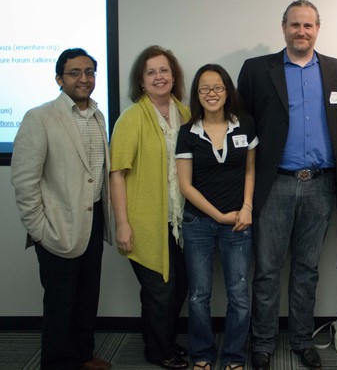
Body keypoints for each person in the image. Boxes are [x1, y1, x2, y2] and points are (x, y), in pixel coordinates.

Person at [237, 0, 337, 370]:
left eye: (308, 26)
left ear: (318, 28)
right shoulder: (257, 70)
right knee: (268, 270)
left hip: (320, 184)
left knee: (307, 269)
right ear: (283, 27)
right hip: (275, 185)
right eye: (294, 25)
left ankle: (303, 339)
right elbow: (244, 126)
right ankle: (263, 343)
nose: (301, 32)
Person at [11, 48, 113, 370]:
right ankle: (55, 364)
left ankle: (82, 356)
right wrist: (40, 230)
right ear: (59, 78)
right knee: (60, 303)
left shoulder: (98, 115)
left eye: (89, 72)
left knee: (86, 297)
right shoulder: (39, 117)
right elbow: (24, 181)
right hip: (56, 226)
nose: (84, 79)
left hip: (93, 219)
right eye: (75, 73)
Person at [110, 45, 190, 369]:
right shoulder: (131, 119)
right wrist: (122, 223)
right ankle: (158, 352)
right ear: (141, 81)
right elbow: (117, 173)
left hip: (180, 220)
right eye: (151, 72)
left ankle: (162, 341)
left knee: (179, 287)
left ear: (174, 76)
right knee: (159, 291)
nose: (159, 77)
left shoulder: (185, 114)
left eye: (164, 70)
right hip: (145, 222)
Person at [176, 64, 258, 370]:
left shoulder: (245, 124)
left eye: (218, 88)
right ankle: (202, 355)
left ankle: (234, 357)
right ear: (197, 95)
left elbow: (251, 170)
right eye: (205, 89)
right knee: (198, 295)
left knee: (239, 293)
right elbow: (185, 185)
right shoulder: (188, 132)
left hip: (239, 221)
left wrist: (247, 207)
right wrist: (217, 216)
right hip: (199, 223)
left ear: (227, 91)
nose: (212, 94)